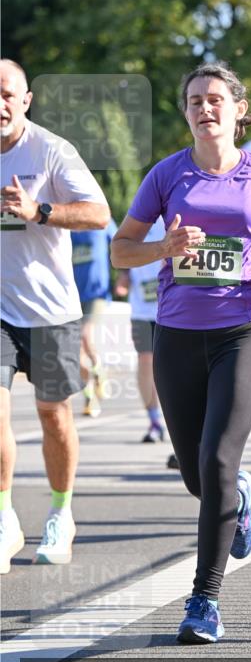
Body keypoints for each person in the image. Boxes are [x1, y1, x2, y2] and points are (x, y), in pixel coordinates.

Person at [111, 62, 251, 644]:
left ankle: (204, 600)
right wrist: (164, 247)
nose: (206, 108)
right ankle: (241, 501)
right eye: (195, 100)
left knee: (220, 459)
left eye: (216, 100)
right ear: (186, 112)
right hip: (177, 333)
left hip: (245, 329)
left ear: (238, 110)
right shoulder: (166, 174)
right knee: (199, 474)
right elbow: (120, 251)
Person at [0, 59, 110, 574]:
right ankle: (3, 518)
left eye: (7, 95)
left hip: (50, 311)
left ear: (25, 100)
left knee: (53, 416)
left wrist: (38, 211)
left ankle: (61, 513)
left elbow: (98, 213)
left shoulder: (50, 150)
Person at [113, 219, 166, 443]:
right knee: (145, 361)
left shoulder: (176, 212)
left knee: (173, 367)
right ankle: (154, 420)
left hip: (173, 307)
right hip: (142, 311)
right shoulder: (137, 218)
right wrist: (123, 277)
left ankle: (181, 421)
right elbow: (122, 250)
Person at [71, 220, 117, 417]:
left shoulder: (101, 221)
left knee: (84, 336)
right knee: (75, 349)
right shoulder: (64, 225)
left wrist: (125, 275)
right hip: (71, 294)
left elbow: (121, 243)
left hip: (96, 293)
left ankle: (98, 370)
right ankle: (89, 396)